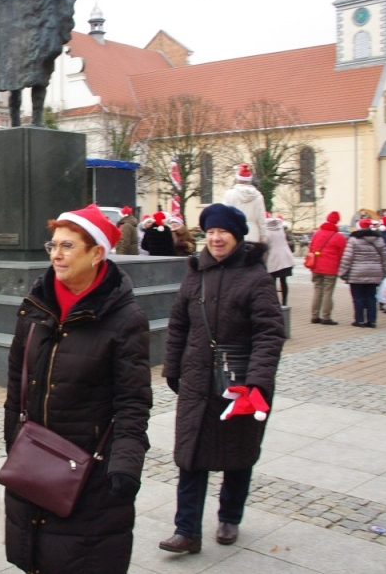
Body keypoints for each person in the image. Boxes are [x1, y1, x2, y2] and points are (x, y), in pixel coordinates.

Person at [3, 203, 152, 574]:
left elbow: (133, 402)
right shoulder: (36, 307)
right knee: (35, 558)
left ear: (97, 253)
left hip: (89, 475)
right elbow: (15, 384)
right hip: (33, 463)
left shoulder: (125, 319)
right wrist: (14, 440)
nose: (56, 254)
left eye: (68, 246)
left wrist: (126, 465)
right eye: (52, 245)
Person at [159, 203, 284, 554]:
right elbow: (179, 325)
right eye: (210, 232)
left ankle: (230, 516)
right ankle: (186, 530)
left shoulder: (256, 277)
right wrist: (172, 368)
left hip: (240, 381)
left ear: (237, 237)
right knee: (190, 455)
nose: (215, 238)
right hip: (198, 381)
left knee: (238, 454)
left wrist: (257, 382)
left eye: (222, 232)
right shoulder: (194, 273)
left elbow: (270, 333)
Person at [338, 218, 386, 327]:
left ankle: (359, 320)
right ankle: (372, 320)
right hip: (374, 273)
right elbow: (385, 257)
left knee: (358, 298)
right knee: (371, 297)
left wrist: (342, 272)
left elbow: (347, 258)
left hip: (357, 274)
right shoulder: (379, 239)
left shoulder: (353, 239)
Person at [308, 212, 347, 325]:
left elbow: (311, 248)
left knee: (317, 290)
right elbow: (341, 254)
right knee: (327, 292)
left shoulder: (317, 234)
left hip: (316, 266)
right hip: (330, 268)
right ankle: (326, 317)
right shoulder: (339, 237)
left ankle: (314, 316)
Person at [222, 164, 266, 244]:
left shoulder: (229, 194)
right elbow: (261, 220)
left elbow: (224, 216)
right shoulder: (258, 196)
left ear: (237, 179)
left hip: (235, 231)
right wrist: (263, 236)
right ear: (250, 181)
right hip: (253, 233)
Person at [264, 216, 295, 307]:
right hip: (285, 257)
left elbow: (266, 246)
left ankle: (274, 302)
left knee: (272, 282)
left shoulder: (267, 232)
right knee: (283, 281)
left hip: (274, 259)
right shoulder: (280, 229)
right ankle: (284, 302)